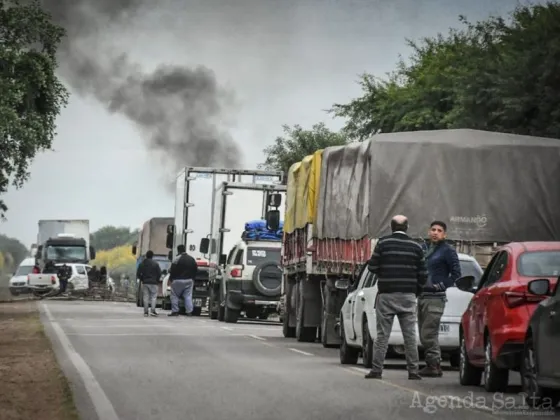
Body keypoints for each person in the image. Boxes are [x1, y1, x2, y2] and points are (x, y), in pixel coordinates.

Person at [364, 215, 428, 380]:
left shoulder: (383, 244)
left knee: (382, 336)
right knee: (410, 336)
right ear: (407, 227)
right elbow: (423, 274)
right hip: (408, 296)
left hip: (386, 295)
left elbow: (372, 267)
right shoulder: (416, 247)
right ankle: (413, 371)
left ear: (391, 227)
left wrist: (385, 275)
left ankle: (377, 370)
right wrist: (416, 291)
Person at [418, 220, 461, 377]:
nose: (435, 232)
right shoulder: (423, 249)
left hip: (436, 298)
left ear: (445, 234)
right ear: (429, 232)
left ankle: (434, 365)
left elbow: (456, 274)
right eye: (433, 229)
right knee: (424, 333)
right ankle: (432, 363)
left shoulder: (447, 251)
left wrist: (441, 286)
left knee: (428, 333)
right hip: (422, 296)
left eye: (439, 230)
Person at [168, 244, 198, 317]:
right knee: (188, 296)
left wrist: (171, 279)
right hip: (189, 280)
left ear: (178, 250)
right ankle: (189, 312)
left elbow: (172, 270)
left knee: (174, 295)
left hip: (177, 280)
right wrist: (192, 278)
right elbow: (195, 269)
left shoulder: (176, 259)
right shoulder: (192, 259)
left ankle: (175, 311)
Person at [136, 250, 162, 317]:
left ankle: (146, 312)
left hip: (145, 282)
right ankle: (153, 311)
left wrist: (142, 279)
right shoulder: (156, 264)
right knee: (153, 297)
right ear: (152, 256)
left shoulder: (142, 264)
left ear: (146, 256)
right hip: (154, 283)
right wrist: (157, 280)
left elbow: (138, 274)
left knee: (146, 297)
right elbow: (159, 273)